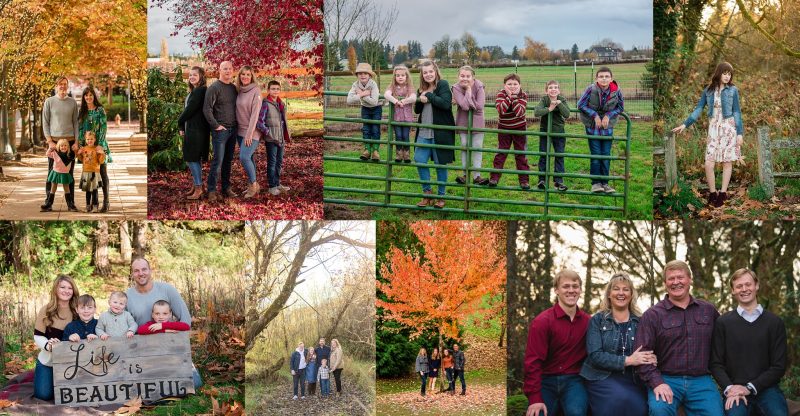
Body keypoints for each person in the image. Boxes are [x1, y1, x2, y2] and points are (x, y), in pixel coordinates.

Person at [634, 260, 723, 416]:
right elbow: (643, 357)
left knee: (715, 413)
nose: (676, 282)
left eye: (680, 277)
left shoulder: (708, 310)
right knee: (659, 410)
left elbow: (723, 344)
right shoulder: (652, 315)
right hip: (666, 378)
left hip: (701, 380)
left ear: (689, 279)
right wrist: (657, 383)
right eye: (671, 278)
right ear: (665, 283)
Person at [710, 268, 788, 416]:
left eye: (748, 284)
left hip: (767, 390)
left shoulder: (774, 322)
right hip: (735, 391)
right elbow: (715, 363)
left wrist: (750, 387)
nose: (744, 289)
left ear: (756, 285)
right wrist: (730, 389)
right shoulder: (723, 323)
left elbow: (779, 366)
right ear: (733, 291)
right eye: (739, 286)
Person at [579, 273, 653, 416]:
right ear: (609, 294)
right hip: (601, 376)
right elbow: (595, 355)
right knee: (618, 399)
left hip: (632, 378)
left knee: (641, 408)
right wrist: (628, 360)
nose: (621, 293)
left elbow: (648, 349)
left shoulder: (641, 321)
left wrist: (652, 357)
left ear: (631, 295)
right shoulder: (598, 321)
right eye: (616, 289)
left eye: (625, 289)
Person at [671, 62, 743, 208]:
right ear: (719, 73)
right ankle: (712, 193)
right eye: (725, 73)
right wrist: (685, 124)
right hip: (714, 129)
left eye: (729, 74)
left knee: (727, 162)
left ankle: (722, 193)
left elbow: (737, 111)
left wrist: (740, 133)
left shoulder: (733, 90)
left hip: (728, 128)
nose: (727, 76)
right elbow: (698, 109)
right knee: (709, 163)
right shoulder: (708, 91)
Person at [524, 269, 590, 416]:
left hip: (575, 381)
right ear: (556, 290)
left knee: (577, 413)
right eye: (566, 286)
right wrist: (534, 397)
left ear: (580, 290)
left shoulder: (588, 322)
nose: (571, 290)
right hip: (545, 380)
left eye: (575, 286)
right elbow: (532, 362)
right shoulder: (542, 322)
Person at [414, 59, 456, 209]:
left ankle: (441, 196)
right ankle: (427, 193)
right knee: (419, 160)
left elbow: (445, 103)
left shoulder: (442, 84)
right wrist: (420, 98)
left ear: (436, 71)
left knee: (440, 164)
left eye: (431, 71)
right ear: (422, 75)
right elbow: (417, 110)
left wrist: (429, 96)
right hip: (424, 131)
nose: (428, 74)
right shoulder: (421, 88)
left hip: (441, 132)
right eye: (425, 72)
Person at [578, 67, 624, 193]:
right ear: (596, 78)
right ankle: (595, 183)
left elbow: (620, 107)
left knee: (606, 155)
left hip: (607, 128)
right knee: (596, 155)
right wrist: (595, 115)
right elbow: (580, 104)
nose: (604, 79)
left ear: (611, 79)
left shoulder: (617, 91)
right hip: (593, 127)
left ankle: (605, 183)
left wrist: (609, 115)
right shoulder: (591, 89)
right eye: (601, 76)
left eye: (607, 76)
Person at [33, 275, 79, 401]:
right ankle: (44, 375)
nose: (66, 290)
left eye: (70, 288)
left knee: (71, 396)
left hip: (71, 363)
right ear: (56, 289)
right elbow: (38, 336)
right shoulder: (47, 310)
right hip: (48, 361)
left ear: (73, 291)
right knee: (43, 395)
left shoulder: (78, 311)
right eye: (62, 287)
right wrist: (48, 345)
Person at [41, 76, 78, 211]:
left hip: (69, 143)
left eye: (65, 84)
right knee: (52, 173)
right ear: (56, 86)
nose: (63, 86)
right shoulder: (49, 102)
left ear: (67, 86)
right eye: (60, 84)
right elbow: (45, 122)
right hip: (54, 143)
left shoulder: (72, 102)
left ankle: (71, 204)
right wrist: (49, 141)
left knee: (69, 175)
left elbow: (76, 123)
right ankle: (48, 203)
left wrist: (77, 142)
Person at [203, 61, 238, 202]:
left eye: (230, 68)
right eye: (225, 69)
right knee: (218, 160)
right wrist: (216, 125)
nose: (228, 71)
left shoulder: (234, 88)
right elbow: (207, 109)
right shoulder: (214, 87)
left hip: (233, 129)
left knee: (228, 160)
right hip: (220, 131)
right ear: (220, 70)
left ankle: (226, 187)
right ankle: (211, 190)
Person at [490, 73, 531, 190]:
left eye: (515, 84)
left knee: (521, 154)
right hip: (504, 128)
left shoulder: (523, 95)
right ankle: (494, 178)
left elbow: (519, 112)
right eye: (509, 84)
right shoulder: (500, 94)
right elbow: (501, 110)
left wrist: (513, 99)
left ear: (520, 85)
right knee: (501, 153)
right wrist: (509, 97)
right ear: (504, 85)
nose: (512, 86)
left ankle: (524, 181)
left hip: (520, 128)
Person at [125, 257, 191, 327]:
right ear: (132, 274)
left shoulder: (167, 290)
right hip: (139, 336)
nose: (141, 273)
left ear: (150, 271)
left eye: (144, 269)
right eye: (136, 271)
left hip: (168, 337)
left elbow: (186, 320)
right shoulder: (126, 296)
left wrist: (173, 332)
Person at [177, 66, 210, 200]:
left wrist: (179, 122)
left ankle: (198, 186)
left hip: (197, 129)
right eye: (190, 75)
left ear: (201, 76)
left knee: (192, 158)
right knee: (194, 158)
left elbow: (189, 110)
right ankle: (197, 185)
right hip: (193, 128)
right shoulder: (195, 90)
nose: (191, 77)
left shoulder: (200, 91)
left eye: (195, 75)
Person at [452, 65, 489, 185]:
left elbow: (480, 106)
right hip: (463, 120)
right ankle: (465, 174)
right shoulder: (456, 88)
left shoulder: (479, 86)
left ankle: (477, 176)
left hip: (477, 121)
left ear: (473, 77)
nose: (465, 78)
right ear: (458, 76)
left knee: (477, 146)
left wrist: (468, 95)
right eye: (462, 76)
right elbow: (464, 106)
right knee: (464, 145)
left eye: (468, 76)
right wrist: (468, 92)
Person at [78, 86, 112, 212]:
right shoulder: (82, 111)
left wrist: (101, 145)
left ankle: (106, 202)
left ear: (94, 96)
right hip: (88, 149)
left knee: (103, 173)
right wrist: (81, 145)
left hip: (99, 147)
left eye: (90, 95)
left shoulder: (100, 110)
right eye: (86, 95)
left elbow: (103, 128)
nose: (88, 97)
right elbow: (80, 129)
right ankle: (93, 203)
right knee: (91, 174)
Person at [533, 80, 571, 191]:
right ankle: (542, 180)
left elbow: (567, 114)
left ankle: (558, 181)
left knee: (559, 155)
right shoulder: (544, 99)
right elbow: (536, 112)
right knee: (544, 155)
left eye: (555, 87)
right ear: (546, 90)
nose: (553, 89)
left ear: (559, 90)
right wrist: (550, 109)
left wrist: (559, 104)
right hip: (545, 131)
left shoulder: (562, 99)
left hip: (559, 132)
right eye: (550, 87)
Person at [256, 81, 291, 196]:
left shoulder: (280, 103)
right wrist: (268, 133)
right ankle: (272, 186)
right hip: (271, 139)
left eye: (277, 89)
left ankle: (277, 183)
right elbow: (260, 122)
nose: (275, 91)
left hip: (280, 137)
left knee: (279, 162)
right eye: (273, 89)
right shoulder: (266, 104)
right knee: (272, 162)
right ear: (268, 90)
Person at [235, 65, 262, 199]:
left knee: (244, 157)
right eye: (243, 74)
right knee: (250, 158)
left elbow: (255, 115)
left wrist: (249, 134)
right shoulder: (239, 90)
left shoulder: (256, 91)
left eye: (248, 74)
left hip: (251, 132)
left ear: (252, 77)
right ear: (239, 76)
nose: (245, 77)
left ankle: (253, 185)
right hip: (239, 132)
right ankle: (253, 184)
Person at [346, 62, 381, 161]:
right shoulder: (355, 85)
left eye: (365, 73)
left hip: (376, 109)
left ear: (369, 75)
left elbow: (374, 102)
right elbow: (349, 100)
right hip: (365, 108)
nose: (363, 75)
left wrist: (361, 95)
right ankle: (367, 150)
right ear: (357, 75)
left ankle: (375, 151)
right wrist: (363, 94)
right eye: (360, 73)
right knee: (366, 129)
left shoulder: (373, 84)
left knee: (375, 128)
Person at [383, 65, 416, 163]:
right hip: (396, 117)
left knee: (405, 135)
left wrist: (404, 101)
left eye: (402, 75)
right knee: (398, 135)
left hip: (407, 118)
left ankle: (406, 155)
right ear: (394, 77)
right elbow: (386, 95)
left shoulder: (409, 87)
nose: (400, 77)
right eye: (397, 75)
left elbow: (413, 98)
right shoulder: (392, 87)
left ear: (406, 76)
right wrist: (396, 101)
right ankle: (398, 154)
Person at [42, 139, 77, 212]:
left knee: (66, 188)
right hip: (56, 173)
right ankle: (49, 203)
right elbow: (48, 154)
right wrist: (50, 148)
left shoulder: (70, 155)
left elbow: (76, 155)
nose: (63, 147)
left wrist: (77, 149)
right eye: (61, 146)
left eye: (65, 146)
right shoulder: (55, 153)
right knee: (53, 188)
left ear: (68, 147)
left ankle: (70, 204)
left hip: (65, 174)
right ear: (58, 147)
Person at [76, 131, 105, 212]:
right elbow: (81, 159)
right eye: (88, 139)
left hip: (94, 172)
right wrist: (78, 153)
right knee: (87, 191)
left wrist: (102, 154)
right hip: (86, 172)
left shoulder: (97, 149)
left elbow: (101, 161)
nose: (89, 141)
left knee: (94, 190)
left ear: (94, 139)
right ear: (85, 140)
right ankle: (88, 206)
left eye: (91, 139)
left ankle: (95, 206)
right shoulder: (84, 148)